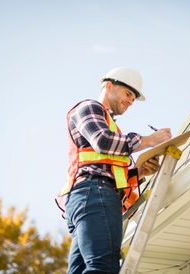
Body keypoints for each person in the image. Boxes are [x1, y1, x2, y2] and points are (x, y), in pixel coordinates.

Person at [55, 67, 171, 274]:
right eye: (128, 94)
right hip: (94, 194)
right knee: (103, 268)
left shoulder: (111, 126)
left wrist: (139, 171)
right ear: (109, 86)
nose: (130, 101)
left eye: (134, 99)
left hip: (89, 197)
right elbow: (102, 141)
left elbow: (106, 167)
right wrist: (149, 140)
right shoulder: (89, 107)